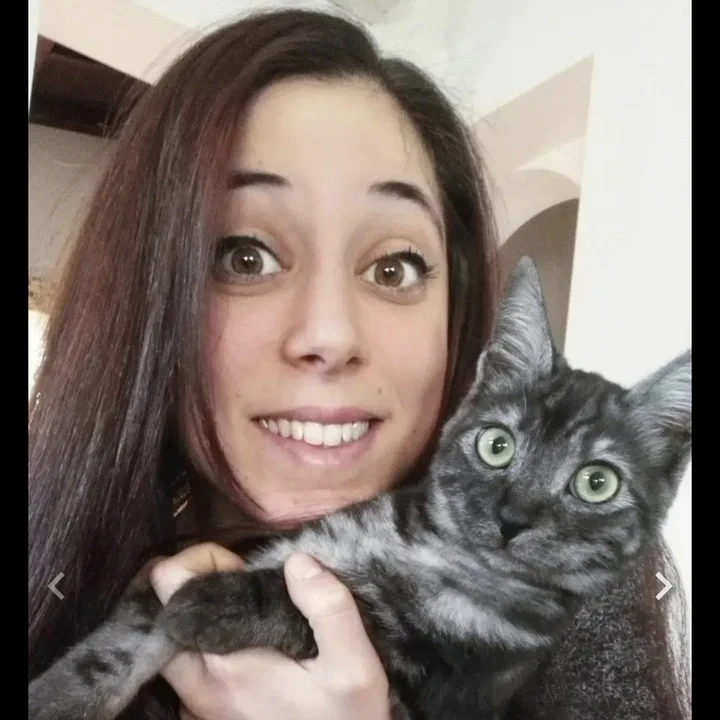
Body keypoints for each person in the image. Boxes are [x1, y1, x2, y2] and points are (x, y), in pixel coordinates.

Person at [28, 8, 690, 720]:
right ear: (144, 290)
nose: (330, 334)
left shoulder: (588, 619)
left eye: (394, 267)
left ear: (458, 314)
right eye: (244, 256)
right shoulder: (51, 547)